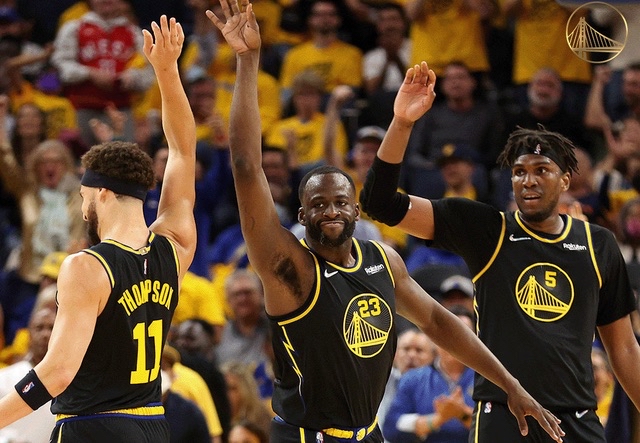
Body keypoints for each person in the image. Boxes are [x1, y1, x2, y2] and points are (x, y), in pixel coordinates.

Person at [205, 3, 564, 443]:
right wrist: (248, 61)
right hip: (307, 435)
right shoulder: (289, 268)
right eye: (319, 204)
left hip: (369, 433)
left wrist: (511, 384)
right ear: (302, 216)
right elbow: (246, 166)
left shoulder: (382, 261)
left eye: (341, 202)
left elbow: (438, 322)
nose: (331, 211)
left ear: (356, 210)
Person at [360, 61, 640, 442]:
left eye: (541, 170)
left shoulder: (598, 244)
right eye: (519, 171)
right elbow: (379, 203)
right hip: (504, 417)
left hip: (576, 419)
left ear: (565, 180)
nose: (528, 180)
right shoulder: (488, 229)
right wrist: (402, 123)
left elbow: (623, 349)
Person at [0, 15, 197, 443]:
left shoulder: (86, 266)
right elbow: (183, 150)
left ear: (102, 194)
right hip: (152, 424)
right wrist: (166, 71)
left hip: (93, 426)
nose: (83, 207)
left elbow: (57, 372)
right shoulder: (176, 245)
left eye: (84, 196)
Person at [383, 306, 476, 443]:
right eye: (448, 333)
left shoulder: (486, 380)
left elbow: (496, 428)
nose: (454, 340)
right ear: (434, 339)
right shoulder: (413, 378)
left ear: (475, 341)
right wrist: (437, 419)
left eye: (463, 334)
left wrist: (462, 414)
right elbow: (391, 427)